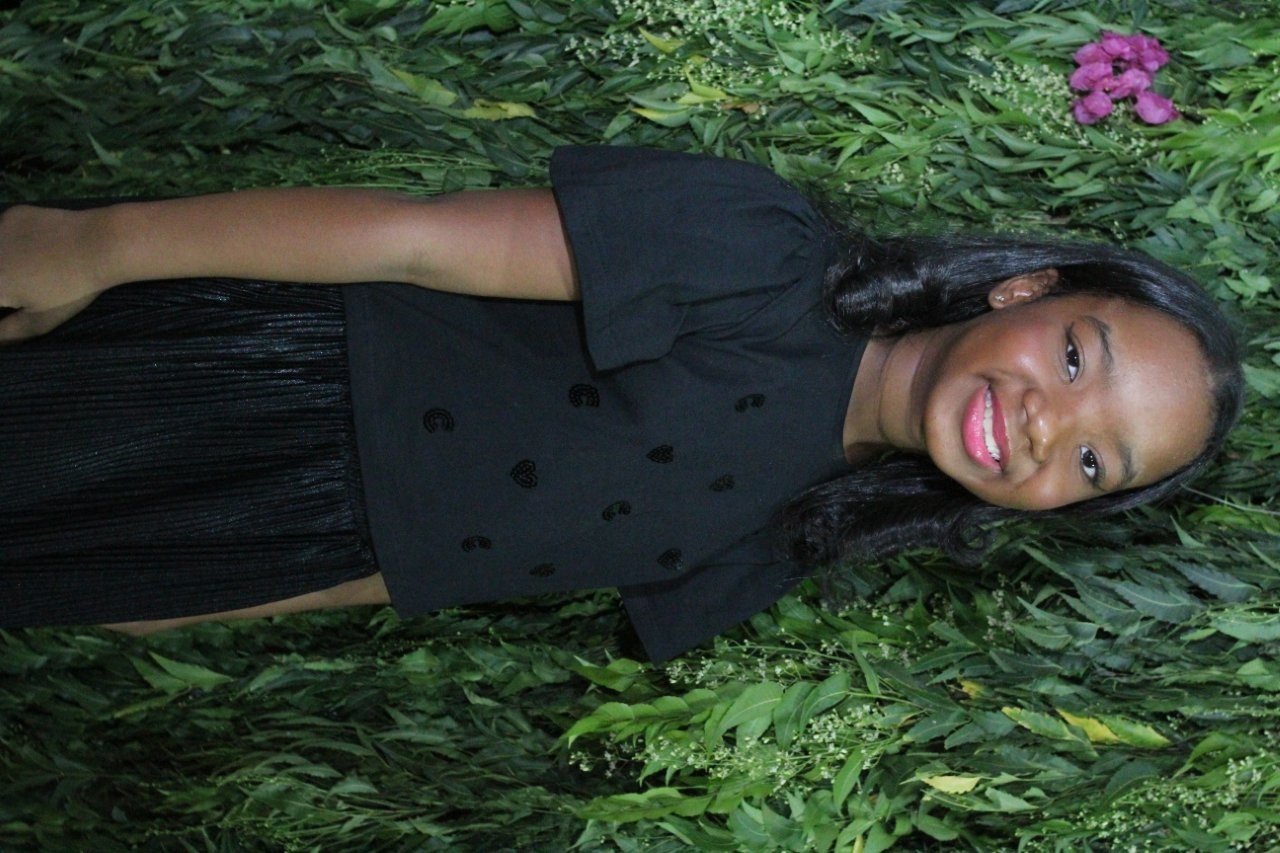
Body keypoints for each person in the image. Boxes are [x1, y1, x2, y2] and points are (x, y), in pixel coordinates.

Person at [0, 146, 1243, 660]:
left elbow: (418, 568)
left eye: (1095, 462)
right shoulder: (761, 257)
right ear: (1025, 287)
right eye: (1074, 359)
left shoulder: (788, 537)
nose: (1046, 426)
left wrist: (175, 596)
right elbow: (407, 237)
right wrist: (99, 243)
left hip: (237, 536)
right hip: (231, 385)